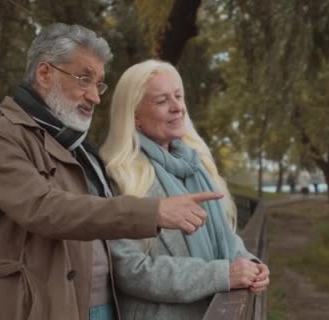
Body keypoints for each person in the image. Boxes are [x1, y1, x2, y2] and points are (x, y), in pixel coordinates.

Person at [0, 24, 219, 320]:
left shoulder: (77, 145)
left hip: (102, 307)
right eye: (84, 79)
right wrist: (153, 212)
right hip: (37, 309)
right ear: (45, 74)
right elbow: (43, 208)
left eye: (99, 84)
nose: (95, 96)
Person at [100, 59, 270, 319]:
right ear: (134, 116)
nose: (177, 107)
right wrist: (221, 275)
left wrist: (250, 264)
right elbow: (130, 270)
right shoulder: (120, 177)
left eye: (178, 96)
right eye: (162, 101)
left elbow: (224, 235)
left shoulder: (198, 166)